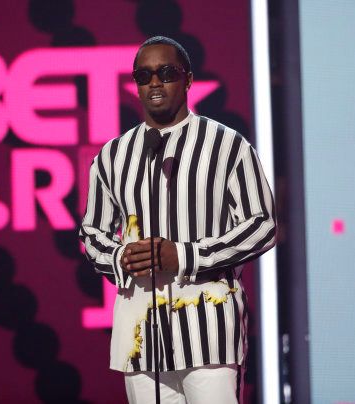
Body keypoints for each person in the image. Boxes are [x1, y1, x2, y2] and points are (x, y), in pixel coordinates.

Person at [79, 36, 276, 404]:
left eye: (167, 73)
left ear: (187, 80)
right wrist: (121, 257)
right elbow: (91, 232)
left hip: (208, 330)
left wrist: (186, 256)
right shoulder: (113, 155)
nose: (155, 83)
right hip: (141, 334)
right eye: (144, 75)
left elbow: (262, 225)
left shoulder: (227, 145)